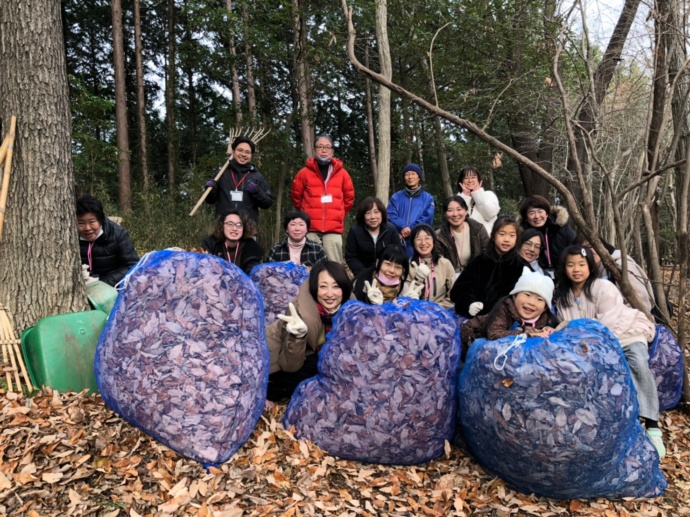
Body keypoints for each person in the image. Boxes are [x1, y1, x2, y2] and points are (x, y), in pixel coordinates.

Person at [554, 245, 665, 459]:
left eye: (581, 264)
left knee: (638, 363)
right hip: (591, 344)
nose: (576, 269)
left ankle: (652, 424)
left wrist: (588, 338)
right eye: (570, 265)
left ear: (589, 266)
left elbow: (610, 321)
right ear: (564, 269)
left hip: (625, 334)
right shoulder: (563, 296)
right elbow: (566, 323)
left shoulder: (603, 286)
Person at [265, 261, 354, 401]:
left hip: (310, 359)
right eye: (323, 287)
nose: (330, 294)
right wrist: (297, 337)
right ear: (314, 288)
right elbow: (289, 365)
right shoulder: (299, 311)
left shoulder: (350, 306)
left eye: (336, 286)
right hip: (276, 367)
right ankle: (269, 393)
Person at [291, 135, 355, 263]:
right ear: (314, 151)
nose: (324, 150)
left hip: (333, 229)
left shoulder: (342, 174)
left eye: (327, 147)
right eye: (320, 147)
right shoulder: (304, 173)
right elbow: (296, 196)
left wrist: (339, 214)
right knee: (310, 266)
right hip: (310, 228)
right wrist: (306, 214)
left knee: (334, 266)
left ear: (332, 151)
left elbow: (349, 198)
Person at [461, 267, 559, 350]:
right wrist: (527, 333)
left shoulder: (544, 317)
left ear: (545, 307)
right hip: (475, 335)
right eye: (527, 295)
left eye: (539, 299)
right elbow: (494, 333)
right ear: (514, 296)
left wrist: (547, 330)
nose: (531, 302)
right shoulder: (504, 309)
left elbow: (540, 331)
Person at [450, 216, 527, 317]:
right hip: (474, 317)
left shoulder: (522, 267)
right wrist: (469, 304)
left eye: (512, 235)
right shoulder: (478, 262)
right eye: (502, 234)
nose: (507, 239)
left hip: (505, 320)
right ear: (493, 236)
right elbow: (458, 291)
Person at [576, 234, 655, 314]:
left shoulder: (622, 266)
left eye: (592, 245)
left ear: (602, 245)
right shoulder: (591, 271)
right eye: (584, 249)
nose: (590, 251)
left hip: (631, 323)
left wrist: (610, 319)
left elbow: (642, 305)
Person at [204, 135, 274, 224]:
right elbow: (210, 200)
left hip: (248, 229)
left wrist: (257, 191)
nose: (243, 154)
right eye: (240, 150)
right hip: (223, 227)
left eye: (247, 152)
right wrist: (209, 189)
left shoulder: (257, 176)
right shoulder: (221, 173)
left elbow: (267, 203)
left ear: (251, 155)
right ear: (233, 152)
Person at [76, 195, 139, 287]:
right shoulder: (69, 238)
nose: (87, 228)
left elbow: (132, 265)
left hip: (113, 287)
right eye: (81, 223)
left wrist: (103, 283)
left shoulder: (118, 234)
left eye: (92, 222)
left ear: (100, 220)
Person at [518, 195, 575, 277]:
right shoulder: (521, 234)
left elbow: (575, 248)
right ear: (526, 217)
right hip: (532, 277)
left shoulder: (561, 227)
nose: (537, 216)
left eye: (540, 211)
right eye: (532, 212)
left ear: (547, 213)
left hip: (564, 277)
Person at [344, 197, 401, 277]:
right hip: (362, 274)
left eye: (376, 212)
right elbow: (351, 257)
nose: (373, 217)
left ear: (382, 213)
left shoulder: (390, 230)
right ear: (363, 216)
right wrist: (364, 274)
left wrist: (386, 271)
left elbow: (398, 253)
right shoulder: (355, 230)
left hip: (388, 274)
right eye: (368, 213)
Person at [402, 225, 455, 309]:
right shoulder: (409, 265)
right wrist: (418, 279)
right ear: (413, 243)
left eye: (427, 238)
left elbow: (454, 294)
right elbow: (406, 296)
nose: (423, 243)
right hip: (415, 312)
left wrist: (437, 308)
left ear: (433, 241)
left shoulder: (445, 264)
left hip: (441, 312)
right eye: (418, 239)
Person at [387, 164, 435, 257]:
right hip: (398, 240)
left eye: (413, 174)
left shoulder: (428, 198)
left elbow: (427, 218)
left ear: (419, 177)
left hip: (420, 242)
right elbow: (390, 214)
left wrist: (411, 229)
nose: (410, 177)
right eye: (407, 174)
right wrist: (402, 226)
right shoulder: (396, 197)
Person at [435, 196, 489, 275]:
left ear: (466, 211)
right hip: (450, 278)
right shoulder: (439, 236)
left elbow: (488, 254)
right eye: (450, 210)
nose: (455, 214)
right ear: (445, 214)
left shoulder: (478, 229)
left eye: (459, 209)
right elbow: (438, 262)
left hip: (476, 276)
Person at [202, 209, 263, 275]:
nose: (234, 228)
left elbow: (253, 271)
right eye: (230, 224)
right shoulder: (211, 244)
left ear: (244, 228)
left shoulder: (252, 246)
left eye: (239, 225)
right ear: (222, 226)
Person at [456, 165, 500, 235]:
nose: (470, 181)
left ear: (479, 180)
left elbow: (489, 215)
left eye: (473, 177)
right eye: (466, 178)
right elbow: (458, 218)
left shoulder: (489, 194)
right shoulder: (458, 198)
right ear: (461, 181)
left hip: (487, 239)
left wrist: (477, 194)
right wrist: (465, 197)